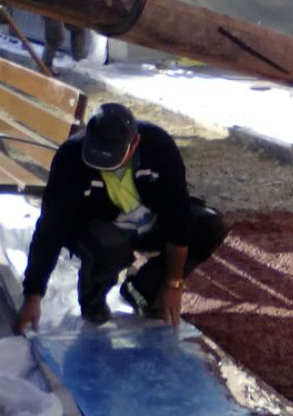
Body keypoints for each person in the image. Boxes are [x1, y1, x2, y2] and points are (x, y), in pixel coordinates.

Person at [13, 103, 229, 333]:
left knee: (209, 227)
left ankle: (142, 290)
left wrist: (173, 282)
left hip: (148, 222)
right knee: (110, 245)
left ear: (134, 143)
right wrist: (33, 295)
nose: (102, 166)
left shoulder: (159, 147)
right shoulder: (70, 157)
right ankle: (93, 304)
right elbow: (51, 228)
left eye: (112, 158)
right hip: (98, 226)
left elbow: (177, 218)